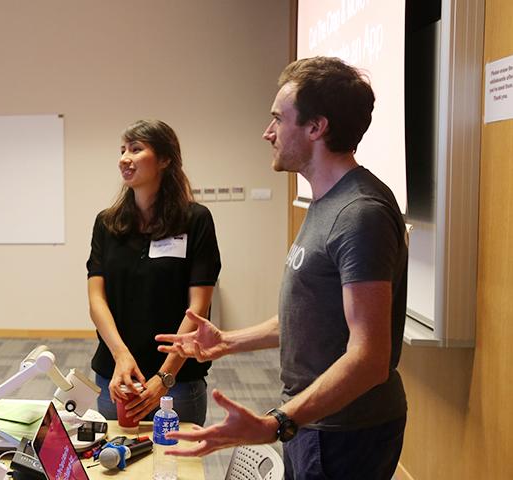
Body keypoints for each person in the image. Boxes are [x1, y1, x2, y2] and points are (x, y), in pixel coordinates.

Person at [156, 57, 408, 479]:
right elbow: (313, 313)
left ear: (316, 127)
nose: (267, 132)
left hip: (343, 432)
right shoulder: (326, 201)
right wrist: (226, 342)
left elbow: (369, 357)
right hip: (314, 422)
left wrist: (279, 421)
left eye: (277, 119)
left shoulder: (359, 213)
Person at [86, 119, 221, 425]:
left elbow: (198, 308)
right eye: (122, 150)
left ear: (164, 159)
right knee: (116, 463)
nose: (124, 158)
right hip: (116, 377)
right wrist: (121, 355)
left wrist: (165, 375)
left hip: (178, 380)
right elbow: (97, 301)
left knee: (179, 468)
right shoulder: (106, 224)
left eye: (136, 149)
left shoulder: (196, 220)